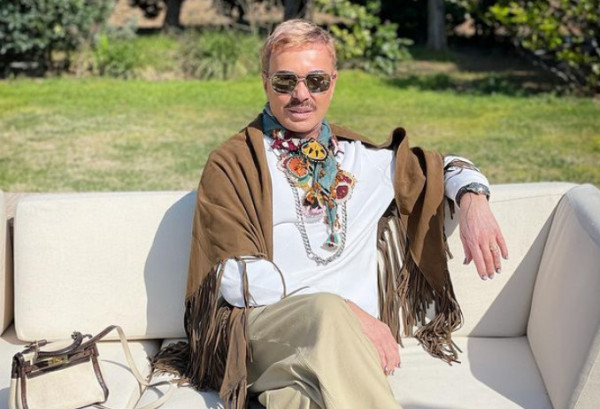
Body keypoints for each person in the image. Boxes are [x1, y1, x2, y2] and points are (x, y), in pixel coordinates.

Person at [153, 19, 508, 409]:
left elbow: (448, 166)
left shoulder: (363, 159)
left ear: (333, 83)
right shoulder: (234, 164)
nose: (301, 95)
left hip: (345, 350)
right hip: (261, 334)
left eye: (316, 81)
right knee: (327, 311)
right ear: (265, 83)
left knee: (298, 399)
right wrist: (348, 312)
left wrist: (474, 202)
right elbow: (240, 283)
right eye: (285, 82)